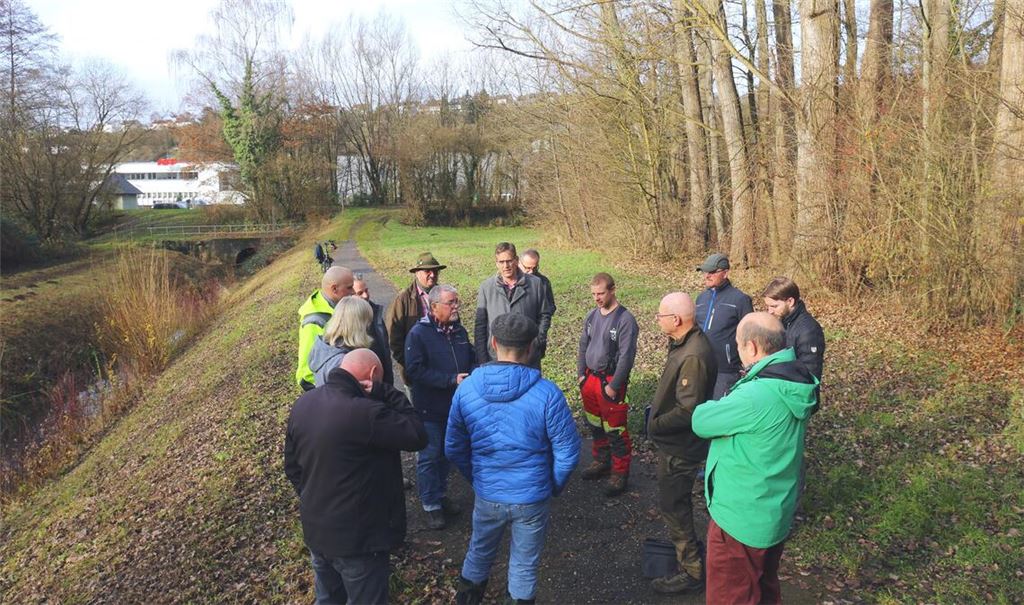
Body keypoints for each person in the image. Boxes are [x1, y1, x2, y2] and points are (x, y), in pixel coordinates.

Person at [446, 314, 580, 605]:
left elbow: (454, 447)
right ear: (531, 347)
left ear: (493, 344)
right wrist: (550, 485)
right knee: (524, 565)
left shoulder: (466, 389)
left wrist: (478, 478)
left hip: (488, 494)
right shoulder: (548, 394)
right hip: (531, 497)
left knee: (479, 552)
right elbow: (568, 452)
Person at [284, 349, 428, 605]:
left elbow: (293, 468)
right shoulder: (366, 413)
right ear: (373, 374)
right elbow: (417, 434)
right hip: (360, 541)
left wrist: (314, 500)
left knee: (327, 598)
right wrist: (386, 392)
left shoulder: (303, 404)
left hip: (318, 531)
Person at [692, 313, 818, 604]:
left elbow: (701, 421)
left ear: (752, 348)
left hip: (740, 519)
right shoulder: (796, 378)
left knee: (731, 595)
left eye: (737, 345)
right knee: (764, 587)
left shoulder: (756, 395)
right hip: (774, 511)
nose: (736, 351)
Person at [646, 292, 718, 594]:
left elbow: (688, 411)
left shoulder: (692, 354)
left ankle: (691, 570)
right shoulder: (684, 342)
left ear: (675, 320)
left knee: (674, 505)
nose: (658, 320)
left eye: (661, 315)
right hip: (675, 444)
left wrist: (655, 425)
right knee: (674, 503)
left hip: (680, 448)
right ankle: (688, 557)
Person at [404, 284, 476, 530]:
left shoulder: (459, 331)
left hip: (456, 409)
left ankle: (441, 494)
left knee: (448, 454)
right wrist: (449, 380)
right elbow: (414, 371)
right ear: (434, 307)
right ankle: (430, 504)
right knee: (430, 455)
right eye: (451, 303)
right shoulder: (418, 334)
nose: (456, 307)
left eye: (457, 302)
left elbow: (472, 358)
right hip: (430, 408)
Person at [576, 272, 639, 497]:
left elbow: (626, 356)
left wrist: (614, 386)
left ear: (612, 290)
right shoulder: (592, 316)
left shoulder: (625, 320)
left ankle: (620, 473)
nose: (597, 298)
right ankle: (601, 461)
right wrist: (581, 375)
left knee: (615, 429)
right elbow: (583, 345)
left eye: (601, 293)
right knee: (595, 425)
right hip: (590, 380)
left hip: (610, 382)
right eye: (594, 294)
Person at [474, 243, 554, 369]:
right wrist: (482, 358)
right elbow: (480, 326)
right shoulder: (486, 287)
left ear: (516, 261)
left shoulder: (536, 284)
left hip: (528, 357)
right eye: (501, 262)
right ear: (496, 263)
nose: (505, 266)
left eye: (509, 261)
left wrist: (537, 341)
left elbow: (544, 315)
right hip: (495, 359)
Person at [694, 253, 753, 398]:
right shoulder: (701, 298)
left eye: (712, 272)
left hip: (726, 371)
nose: (707, 275)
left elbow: (750, 335)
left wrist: (748, 366)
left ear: (725, 273)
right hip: (700, 367)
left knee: (720, 413)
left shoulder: (740, 299)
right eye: (705, 272)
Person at [386, 252, 446, 386]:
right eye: (427, 271)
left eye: (435, 271)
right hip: (415, 373)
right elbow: (394, 339)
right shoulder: (402, 300)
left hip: (442, 368)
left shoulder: (444, 295)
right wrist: (410, 365)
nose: (433, 274)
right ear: (417, 273)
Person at [296, 266, 354, 391]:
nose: (353, 292)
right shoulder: (314, 322)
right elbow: (307, 372)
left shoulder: (337, 307)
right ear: (334, 289)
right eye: (349, 287)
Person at [761, 276, 826, 382]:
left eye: (774, 306)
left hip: (796, 394)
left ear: (790, 301)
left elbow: (809, 376)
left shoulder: (809, 331)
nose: (770, 311)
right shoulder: (782, 321)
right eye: (768, 307)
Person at [308, 296, 373, 387]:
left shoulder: (324, 348)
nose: (369, 328)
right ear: (359, 326)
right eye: (367, 322)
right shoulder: (343, 364)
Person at [519, 248, 556, 361]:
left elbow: (550, 309)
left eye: (535, 268)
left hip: (535, 339)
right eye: (527, 268)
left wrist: (540, 338)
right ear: (519, 263)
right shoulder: (512, 281)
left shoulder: (543, 282)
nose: (531, 271)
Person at [354, 274, 392, 379]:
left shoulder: (376, 312)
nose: (366, 296)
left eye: (366, 290)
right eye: (360, 293)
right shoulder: (348, 323)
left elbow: (385, 348)